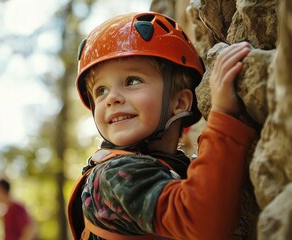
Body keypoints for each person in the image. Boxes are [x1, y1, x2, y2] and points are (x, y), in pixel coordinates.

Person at [67, 11, 258, 239]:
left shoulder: (171, 166)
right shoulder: (114, 177)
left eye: (132, 81)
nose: (111, 98)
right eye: (101, 90)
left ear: (179, 102)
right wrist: (224, 116)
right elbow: (201, 220)